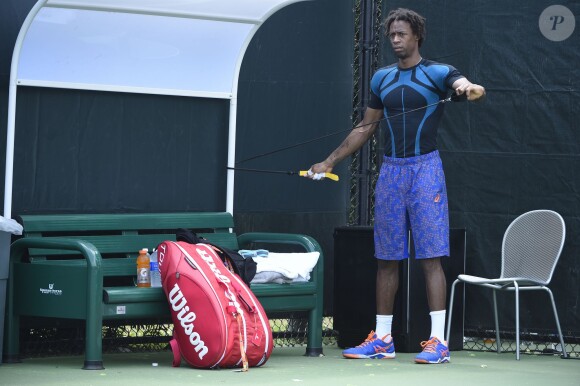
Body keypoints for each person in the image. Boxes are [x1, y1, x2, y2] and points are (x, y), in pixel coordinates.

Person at [307, 8, 485, 364]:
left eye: (401, 34)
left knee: (430, 257)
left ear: (416, 35)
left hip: (426, 170)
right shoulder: (381, 79)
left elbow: (462, 84)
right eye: (391, 35)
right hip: (391, 173)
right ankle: (383, 339)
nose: (395, 40)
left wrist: (468, 87)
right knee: (386, 257)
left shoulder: (437, 71)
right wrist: (328, 161)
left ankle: (438, 342)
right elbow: (365, 127)